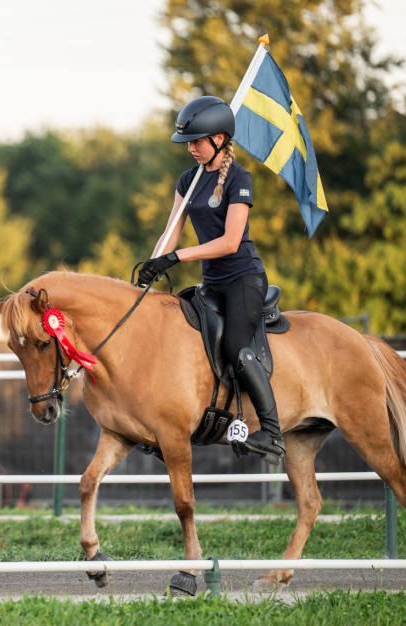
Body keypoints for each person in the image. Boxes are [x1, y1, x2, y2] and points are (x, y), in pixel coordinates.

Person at [136, 96, 285, 464]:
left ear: (220, 138)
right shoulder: (187, 181)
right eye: (188, 142)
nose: (191, 148)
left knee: (235, 345)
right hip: (212, 284)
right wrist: (152, 266)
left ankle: (271, 432)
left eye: (198, 141)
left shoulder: (239, 179)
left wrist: (177, 257)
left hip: (244, 281)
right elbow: (172, 231)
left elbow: (230, 241)